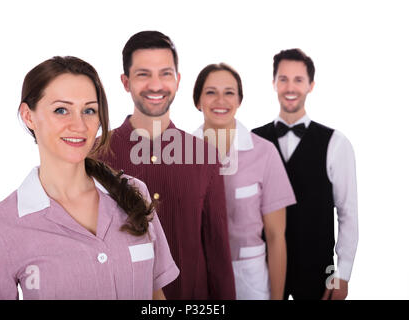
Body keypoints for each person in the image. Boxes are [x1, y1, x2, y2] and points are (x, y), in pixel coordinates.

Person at [0, 56, 179, 300]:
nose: (79, 125)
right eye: (61, 110)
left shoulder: (134, 193)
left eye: (89, 110)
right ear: (28, 116)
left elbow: (156, 298)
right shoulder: (0, 225)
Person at [96, 31, 235, 299]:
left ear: (178, 80)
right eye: (143, 74)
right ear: (126, 82)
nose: (156, 85)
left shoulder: (205, 155)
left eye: (165, 74)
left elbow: (218, 250)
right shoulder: (96, 155)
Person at [252, 49, 358, 300]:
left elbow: (348, 214)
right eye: (284, 79)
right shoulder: (252, 140)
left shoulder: (336, 143)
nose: (291, 87)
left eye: (298, 80)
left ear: (311, 85)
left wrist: (342, 274)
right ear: (274, 83)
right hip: (262, 269)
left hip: (317, 269)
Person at [192, 63, 296, 300]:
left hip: (250, 278)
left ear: (239, 100)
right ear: (197, 101)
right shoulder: (181, 155)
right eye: (211, 92)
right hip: (199, 274)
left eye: (229, 92)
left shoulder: (264, 153)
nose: (221, 100)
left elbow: (276, 236)